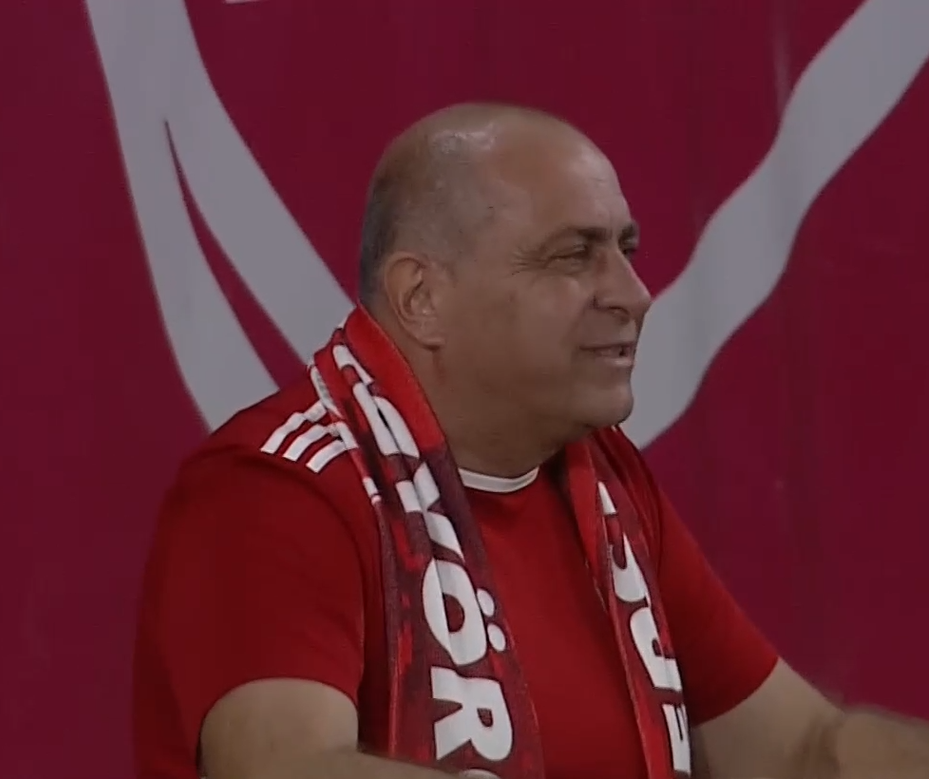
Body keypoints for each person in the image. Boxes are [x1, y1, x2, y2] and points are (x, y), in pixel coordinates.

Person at [133, 103, 929, 779]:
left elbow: (802, 751)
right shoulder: (276, 487)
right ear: (421, 297)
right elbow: (289, 769)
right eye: (574, 256)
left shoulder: (608, 484)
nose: (634, 294)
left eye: (626, 250)